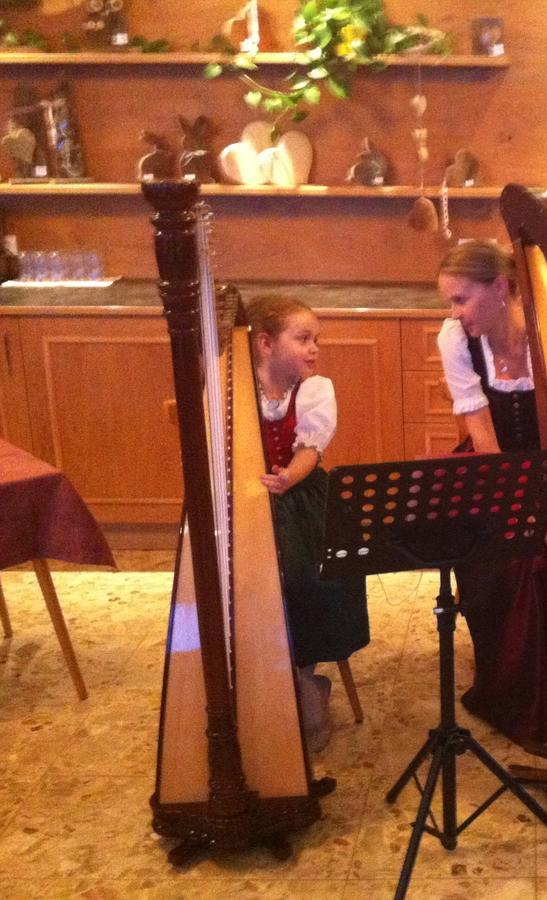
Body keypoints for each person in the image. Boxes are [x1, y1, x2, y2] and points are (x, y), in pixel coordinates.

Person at [435, 240, 547, 754]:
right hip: (494, 464)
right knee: (500, 558)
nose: (454, 313)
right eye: (450, 303)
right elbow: (481, 429)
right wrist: (518, 503)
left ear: (501, 288)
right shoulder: (456, 338)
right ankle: (507, 695)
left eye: (461, 299)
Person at [247, 295, 370, 754]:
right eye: (302, 339)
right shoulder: (235, 388)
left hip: (300, 497)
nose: (314, 348)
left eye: (316, 339)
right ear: (264, 344)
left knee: (308, 576)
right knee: (249, 584)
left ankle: (304, 677)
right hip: (249, 498)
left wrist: (286, 479)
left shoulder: (315, 390)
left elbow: (310, 452)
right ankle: (259, 683)